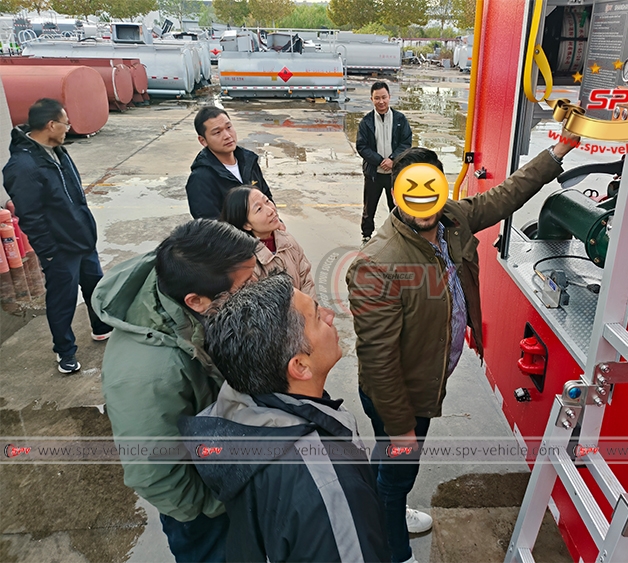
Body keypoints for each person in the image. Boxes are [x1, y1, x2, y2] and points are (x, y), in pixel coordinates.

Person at [346, 134, 579, 563]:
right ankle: (392, 550)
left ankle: (386, 509)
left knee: (392, 465)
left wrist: (558, 151)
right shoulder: (377, 262)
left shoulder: (452, 217)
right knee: (398, 466)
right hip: (401, 393)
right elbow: (379, 364)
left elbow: (505, 196)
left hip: (428, 378)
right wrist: (401, 427)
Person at [180, 274, 390, 562]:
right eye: (317, 317)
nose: (330, 317)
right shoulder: (329, 488)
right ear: (300, 366)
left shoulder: (240, 409)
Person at [91, 219, 261, 563]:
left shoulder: (190, 289)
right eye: (247, 285)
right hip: (206, 516)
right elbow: (153, 473)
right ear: (196, 301)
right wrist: (217, 506)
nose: (258, 288)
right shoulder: (148, 375)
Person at [2, 98, 111, 374]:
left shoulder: (57, 151)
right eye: (65, 123)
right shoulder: (23, 167)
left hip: (82, 239)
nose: (68, 128)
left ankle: (101, 327)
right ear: (51, 125)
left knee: (94, 286)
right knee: (62, 301)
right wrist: (49, 250)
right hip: (60, 249)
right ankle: (65, 352)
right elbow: (31, 217)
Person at [221, 185, 316, 298]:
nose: (271, 210)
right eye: (259, 209)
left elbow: (306, 279)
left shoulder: (287, 240)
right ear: (246, 225)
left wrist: (311, 310)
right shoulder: (245, 263)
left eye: (267, 201)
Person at [186, 106, 273, 219]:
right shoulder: (200, 179)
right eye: (217, 132)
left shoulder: (249, 161)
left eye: (229, 127)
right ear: (203, 141)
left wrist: (277, 228)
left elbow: (267, 199)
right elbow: (210, 227)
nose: (227, 136)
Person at [356, 82, 412, 246]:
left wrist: (393, 159)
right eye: (377, 98)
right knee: (369, 208)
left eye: (384, 97)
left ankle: (399, 235)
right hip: (374, 173)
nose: (381, 101)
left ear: (389, 97)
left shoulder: (400, 119)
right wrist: (380, 161)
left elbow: (406, 142)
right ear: (371, 99)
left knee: (396, 207)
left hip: (394, 175)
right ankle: (366, 236)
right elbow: (362, 146)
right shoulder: (366, 122)